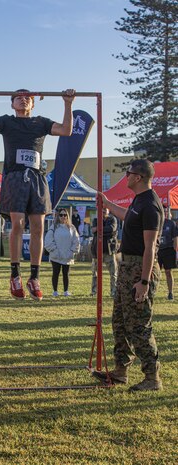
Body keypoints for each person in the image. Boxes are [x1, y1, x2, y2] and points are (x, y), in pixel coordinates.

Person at [0, 87, 76, 301]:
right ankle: (15, 275)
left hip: (37, 178)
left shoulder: (40, 122)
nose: (23, 100)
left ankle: (34, 277)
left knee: (39, 227)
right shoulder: (6, 121)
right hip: (15, 177)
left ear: (33, 104)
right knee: (18, 224)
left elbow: (67, 130)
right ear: (12, 103)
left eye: (27, 98)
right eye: (19, 98)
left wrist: (68, 104)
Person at [93, 159, 164, 391]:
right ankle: (120, 370)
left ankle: (152, 378)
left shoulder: (151, 205)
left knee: (139, 326)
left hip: (139, 270)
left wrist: (143, 282)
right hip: (127, 268)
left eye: (128, 173)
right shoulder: (139, 201)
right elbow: (128, 217)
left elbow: (150, 247)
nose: (126, 176)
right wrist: (107, 204)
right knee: (121, 322)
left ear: (138, 177)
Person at [44, 208, 80, 297]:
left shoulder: (72, 228)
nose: (63, 217)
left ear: (67, 216)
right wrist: (54, 251)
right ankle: (55, 291)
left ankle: (66, 291)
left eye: (65, 215)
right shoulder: (53, 227)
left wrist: (72, 251)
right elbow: (48, 240)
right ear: (58, 216)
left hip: (67, 255)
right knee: (55, 273)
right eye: (61, 215)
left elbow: (76, 240)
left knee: (66, 273)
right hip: (56, 256)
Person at [90, 208, 118, 297]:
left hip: (109, 250)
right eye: (101, 210)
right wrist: (104, 231)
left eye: (105, 210)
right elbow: (94, 230)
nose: (103, 212)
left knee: (113, 273)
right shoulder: (96, 220)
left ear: (108, 211)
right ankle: (94, 291)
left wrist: (99, 230)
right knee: (95, 273)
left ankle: (113, 291)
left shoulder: (112, 219)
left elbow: (111, 229)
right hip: (97, 249)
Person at [157, 206, 178, 300]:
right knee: (155, 273)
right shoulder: (155, 222)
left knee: (168, 272)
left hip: (168, 250)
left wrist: (175, 252)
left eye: (166, 211)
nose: (164, 213)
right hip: (157, 251)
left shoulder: (171, 223)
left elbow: (175, 238)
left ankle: (170, 293)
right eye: (163, 211)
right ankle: (151, 291)